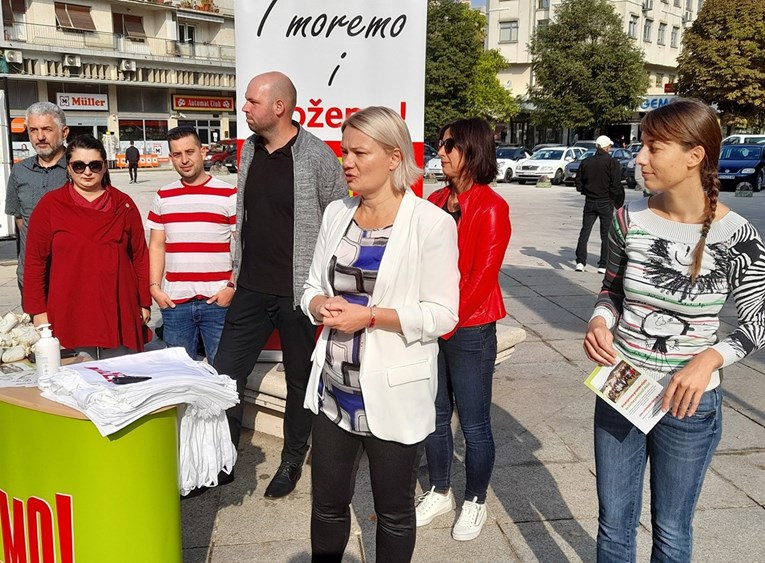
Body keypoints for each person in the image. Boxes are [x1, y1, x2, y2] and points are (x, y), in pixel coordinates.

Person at [583, 98, 765, 562]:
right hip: (623, 387)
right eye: (641, 146)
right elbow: (612, 290)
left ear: (694, 155)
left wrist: (708, 359)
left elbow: (756, 319)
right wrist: (600, 321)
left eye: (653, 147)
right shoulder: (628, 221)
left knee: (671, 528)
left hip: (690, 403)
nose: (639, 158)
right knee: (614, 525)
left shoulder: (739, 236)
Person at [302, 106, 459, 562]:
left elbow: (443, 314)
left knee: (393, 511)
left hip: (391, 391)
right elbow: (312, 285)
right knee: (327, 505)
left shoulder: (430, 224)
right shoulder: (337, 213)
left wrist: (368, 317)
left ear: (394, 157)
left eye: (358, 152)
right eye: (343, 151)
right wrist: (317, 305)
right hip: (334, 389)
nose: (346, 162)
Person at [213, 71, 347, 496]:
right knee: (224, 375)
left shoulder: (317, 156)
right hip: (250, 288)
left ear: (279, 107)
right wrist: (235, 275)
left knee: (298, 380)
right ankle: (222, 457)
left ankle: (291, 460)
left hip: (297, 293)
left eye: (252, 101)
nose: (244, 107)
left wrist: (324, 284)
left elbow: (340, 217)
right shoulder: (250, 150)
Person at [416, 118, 512, 541]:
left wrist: (444, 322)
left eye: (450, 144)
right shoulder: (434, 200)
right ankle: (439, 490)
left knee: (473, 424)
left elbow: (481, 276)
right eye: (440, 143)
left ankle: (475, 500)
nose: (441, 150)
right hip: (432, 325)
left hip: (470, 328)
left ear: (472, 151)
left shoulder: (492, 207)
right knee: (435, 416)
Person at [23, 134, 151, 359]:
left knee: (121, 382)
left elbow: (140, 256)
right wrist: (38, 312)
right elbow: (34, 262)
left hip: (120, 307)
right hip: (69, 307)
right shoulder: (50, 206)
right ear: (68, 168)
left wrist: (143, 302)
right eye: (79, 165)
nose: (87, 172)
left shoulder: (124, 205)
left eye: (94, 165)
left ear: (104, 166)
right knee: (74, 383)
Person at [146, 126, 236, 365]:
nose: (184, 160)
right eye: (177, 154)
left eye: (189, 152)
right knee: (178, 375)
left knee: (223, 374)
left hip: (217, 302)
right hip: (176, 303)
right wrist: (154, 287)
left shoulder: (228, 194)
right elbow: (156, 245)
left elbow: (244, 246)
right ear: (171, 157)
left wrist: (232, 286)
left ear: (203, 151)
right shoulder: (163, 196)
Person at [5, 102, 69, 306]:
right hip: (31, 276)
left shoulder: (81, 169)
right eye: (33, 130)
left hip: (70, 276)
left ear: (64, 132)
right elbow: (20, 220)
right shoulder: (19, 171)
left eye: (47, 129)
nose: (40, 137)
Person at [574, 135, 624, 274]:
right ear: (607, 147)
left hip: (590, 201)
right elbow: (616, 184)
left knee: (585, 232)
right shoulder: (612, 163)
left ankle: (580, 262)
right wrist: (613, 198)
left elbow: (578, 181)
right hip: (605, 201)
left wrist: (585, 191)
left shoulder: (586, 162)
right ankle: (603, 264)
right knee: (605, 234)